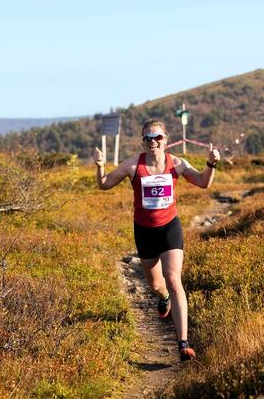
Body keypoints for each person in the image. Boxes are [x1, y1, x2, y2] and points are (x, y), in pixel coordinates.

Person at [93, 118, 220, 361]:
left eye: (157, 137)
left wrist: (211, 164)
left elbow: (203, 182)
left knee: (174, 280)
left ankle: (183, 343)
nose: (153, 142)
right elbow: (104, 184)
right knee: (156, 285)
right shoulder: (132, 165)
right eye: (148, 138)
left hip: (170, 227)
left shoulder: (177, 164)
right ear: (143, 141)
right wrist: (100, 165)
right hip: (144, 231)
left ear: (166, 140)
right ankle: (163, 298)